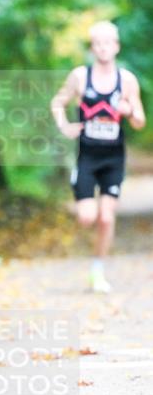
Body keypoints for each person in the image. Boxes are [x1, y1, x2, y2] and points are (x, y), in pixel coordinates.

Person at [50, 20, 146, 292]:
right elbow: (58, 102)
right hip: (87, 157)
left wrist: (129, 110)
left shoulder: (126, 80)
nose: (103, 49)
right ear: (93, 48)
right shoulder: (81, 76)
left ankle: (98, 269)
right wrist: (65, 126)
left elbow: (140, 121)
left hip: (114, 158)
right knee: (86, 217)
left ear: (116, 47)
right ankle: (77, 186)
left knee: (106, 217)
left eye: (108, 43)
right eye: (98, 44)